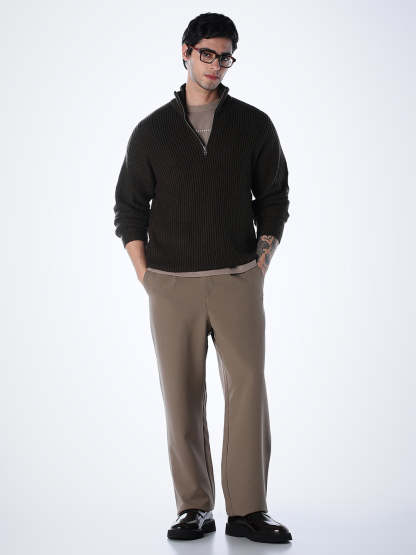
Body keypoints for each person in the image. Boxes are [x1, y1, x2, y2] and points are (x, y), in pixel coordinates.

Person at [113, 12, 293, 544]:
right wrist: (147, 276)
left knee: (248, 389)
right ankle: (194, 507)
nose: (216, 65)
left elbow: (274, 197)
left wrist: (261, 263)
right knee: (181, 395)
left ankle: (249, 510)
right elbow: (129, 208)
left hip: (237, 278)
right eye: (207, 54)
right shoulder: (153, 131)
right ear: (186, 53)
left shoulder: (253, 124)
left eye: (225, 56)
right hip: (171, 285)